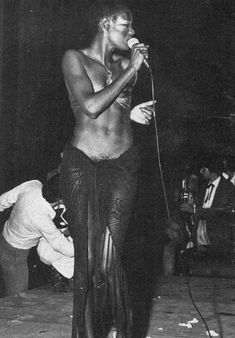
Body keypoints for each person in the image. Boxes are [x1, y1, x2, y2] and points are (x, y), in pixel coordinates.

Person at [59, 1, 154, 337]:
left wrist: (131, 113)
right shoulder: (75, 58)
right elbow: (90, 106)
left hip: (123, 163)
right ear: (105, 23)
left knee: (110, 259)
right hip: (82, 165)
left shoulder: (126, 61)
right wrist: (133, 71)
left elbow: (116, 106)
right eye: (126, 25)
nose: (132, 33)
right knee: (86, 263)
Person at [0, 176, 74, 296]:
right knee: (17, 299)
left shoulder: (32, 185)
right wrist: (84, 246)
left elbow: (3, 200)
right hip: (15, 254)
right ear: (60, 200)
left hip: (5, 237)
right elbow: (62, 247)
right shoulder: (41, 219)